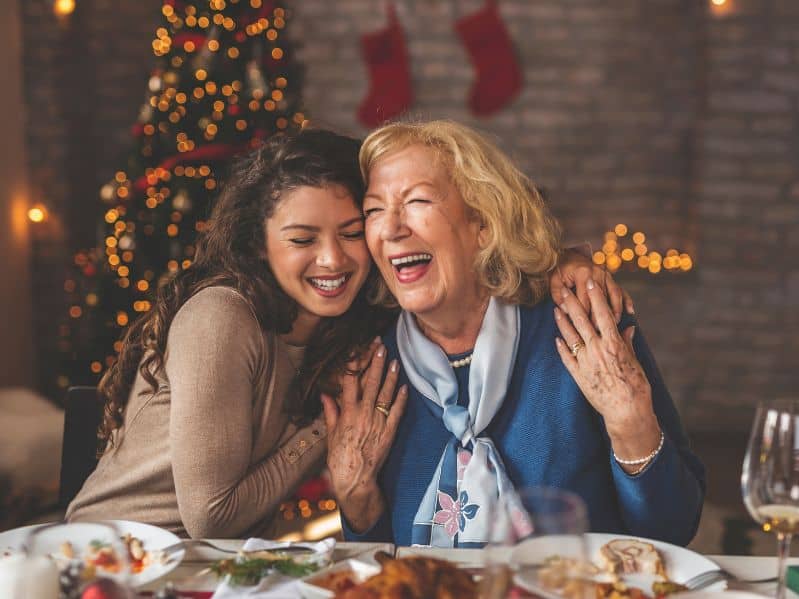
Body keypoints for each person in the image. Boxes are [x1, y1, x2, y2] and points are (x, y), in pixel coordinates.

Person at [67, 127, 613, 538]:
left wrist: (561, 263)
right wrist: (325, 432)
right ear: (259, 245)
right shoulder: (223, 317)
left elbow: (482, 257)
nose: (333, 259)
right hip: (118, 556)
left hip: (216, 567)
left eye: (353, 231)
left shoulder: (356, 323)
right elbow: (212, 518)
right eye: (302, 239)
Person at [323, 120, 705, 548]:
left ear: (482, 224)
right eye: (374, 210)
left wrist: (631, 423)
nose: (391, 228)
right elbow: (375, 562)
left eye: (417, 201)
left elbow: (673, 531)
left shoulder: (581, 323)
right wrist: (356, 497)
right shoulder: (373, 362)